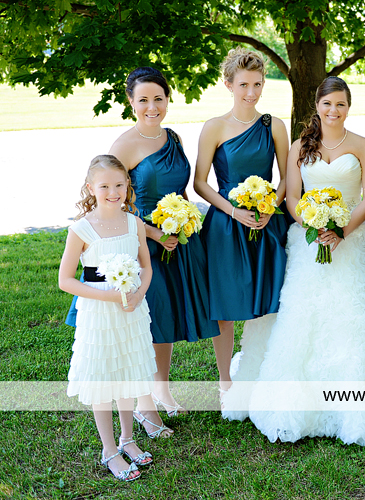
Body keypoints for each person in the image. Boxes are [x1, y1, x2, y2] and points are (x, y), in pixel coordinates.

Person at [223, 76, 365, 446]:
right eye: (327, 104)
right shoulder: (300, 146)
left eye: (340, 104)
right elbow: (292, 197)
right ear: (317, 106)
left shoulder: (363, 145)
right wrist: (312, 224)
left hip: (354, 237)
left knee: (354, 314)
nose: (334, 111)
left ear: (349, 107)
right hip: (309, 240)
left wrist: (342, 230)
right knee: (303, 314)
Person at [109, 67, 221, 431]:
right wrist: (155, 235)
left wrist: (185, 222)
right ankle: (143, 405)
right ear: (131, 102)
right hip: (143, 243)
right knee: (146, 321)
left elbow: (181, 190)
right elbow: (114, 205)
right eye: (143, 100)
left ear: (168, 100)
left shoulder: (174, 138)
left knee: (166, 317)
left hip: (178, 239)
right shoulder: (124, 146)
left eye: (158, 98)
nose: (152, 106)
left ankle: (162, 390)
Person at [194, 48, 289, 406]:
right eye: (245, 84)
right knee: (227, 302)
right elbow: (200, 183)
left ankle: (268, 371)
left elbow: (287, 177)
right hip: (225, 225)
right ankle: (225, 381)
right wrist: (233, 212)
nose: (252, 92)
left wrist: (272, 206)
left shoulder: (273, 125)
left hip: (268, 224)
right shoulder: (214, 127)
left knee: (273, 298)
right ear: (229, 84)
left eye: (258, 84)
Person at [58, 155, 156, 481]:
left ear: (127, 185)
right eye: (104, 186)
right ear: (91, 188)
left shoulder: (134, 223)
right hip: (99, 313)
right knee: (103, 377)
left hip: (131, 310)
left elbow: (146, 267)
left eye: (119, 184)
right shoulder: (82, 228)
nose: (113, 192)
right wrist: (110, 296)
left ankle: (128, 438)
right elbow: (66, 280)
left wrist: (138, 293)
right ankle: (109, 449)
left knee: (128, 371)